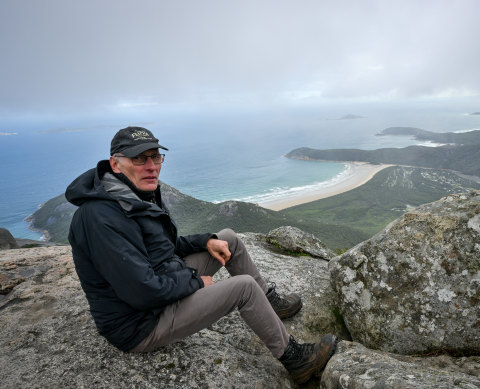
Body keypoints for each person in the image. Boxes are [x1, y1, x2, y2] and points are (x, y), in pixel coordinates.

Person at [66, 126, 337, 384]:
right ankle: (296, 360)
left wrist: (206, 241)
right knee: (243, 288)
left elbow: (164, 246)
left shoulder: (132, 193)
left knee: (227, 238)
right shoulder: (101, 218)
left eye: (155, 157)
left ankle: (270, 304)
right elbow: (141, 291)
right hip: (141, 323)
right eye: (139, 159)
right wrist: (195, 282)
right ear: (116, 164)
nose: (151, 166)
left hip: (162, 283)